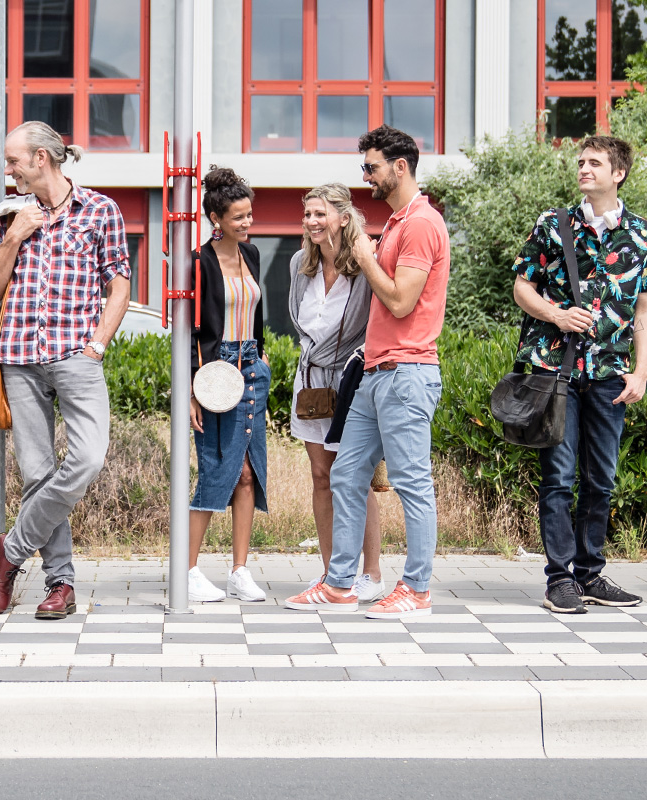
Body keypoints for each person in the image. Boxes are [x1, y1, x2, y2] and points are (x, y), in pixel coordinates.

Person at [284, 125, 449, 620]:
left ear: (400, 166)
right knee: (347, 474)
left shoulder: (420, 223)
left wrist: (363, 257)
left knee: (412, 482)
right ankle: (339, 584)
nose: (366, 177)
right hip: (376, 374)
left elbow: (400, 300)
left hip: (407, 371)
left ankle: (415, 589)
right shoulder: (398, 222)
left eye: (371, 167)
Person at [0, 121, 131, 620]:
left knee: (86, 460)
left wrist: (98, 345)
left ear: (42, 158)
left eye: (14, 160)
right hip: (18, 358)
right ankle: (60, 585)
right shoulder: (7, 217)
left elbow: (119, 285)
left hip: (76, 357)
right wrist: (14, 240)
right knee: (39, 474)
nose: (8, 169)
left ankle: (12, 552)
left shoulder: (100, 211)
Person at [510, 136, 647, 615]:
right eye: (580, 161)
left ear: (618, 173)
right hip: (554, 369)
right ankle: (560, 580)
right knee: (558, 477)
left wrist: (641, 371)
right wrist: (556, 315)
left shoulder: (642, 233)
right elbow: (521, 287)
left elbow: (646, 306)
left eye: (594, 162)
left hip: (611, 372)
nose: (583, 168)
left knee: (602, 478)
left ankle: (590, 574)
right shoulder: (553, 225)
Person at [285, 183, 389, 602]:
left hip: (351, 381)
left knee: (356, 479)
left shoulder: (366, 261)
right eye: (307, 214)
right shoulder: (299, 263)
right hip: (310, 380)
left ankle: (373, 573)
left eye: (319, 214)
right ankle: (331, 574)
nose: (311, 221)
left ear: (344, 218)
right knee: (321, 477)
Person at [185, 166, 270, 603]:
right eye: (238, 217)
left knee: (249, 474)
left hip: (252, 367)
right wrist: (191, 392)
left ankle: (239, 570)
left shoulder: (251, 254)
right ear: (217, 219)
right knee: (219, 468)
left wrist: (263, 354)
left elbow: (257, 313)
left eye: (249, 216)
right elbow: (189, 331)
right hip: (215, 373)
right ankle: (188, 569)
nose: (247, 223)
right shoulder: (198, 263)